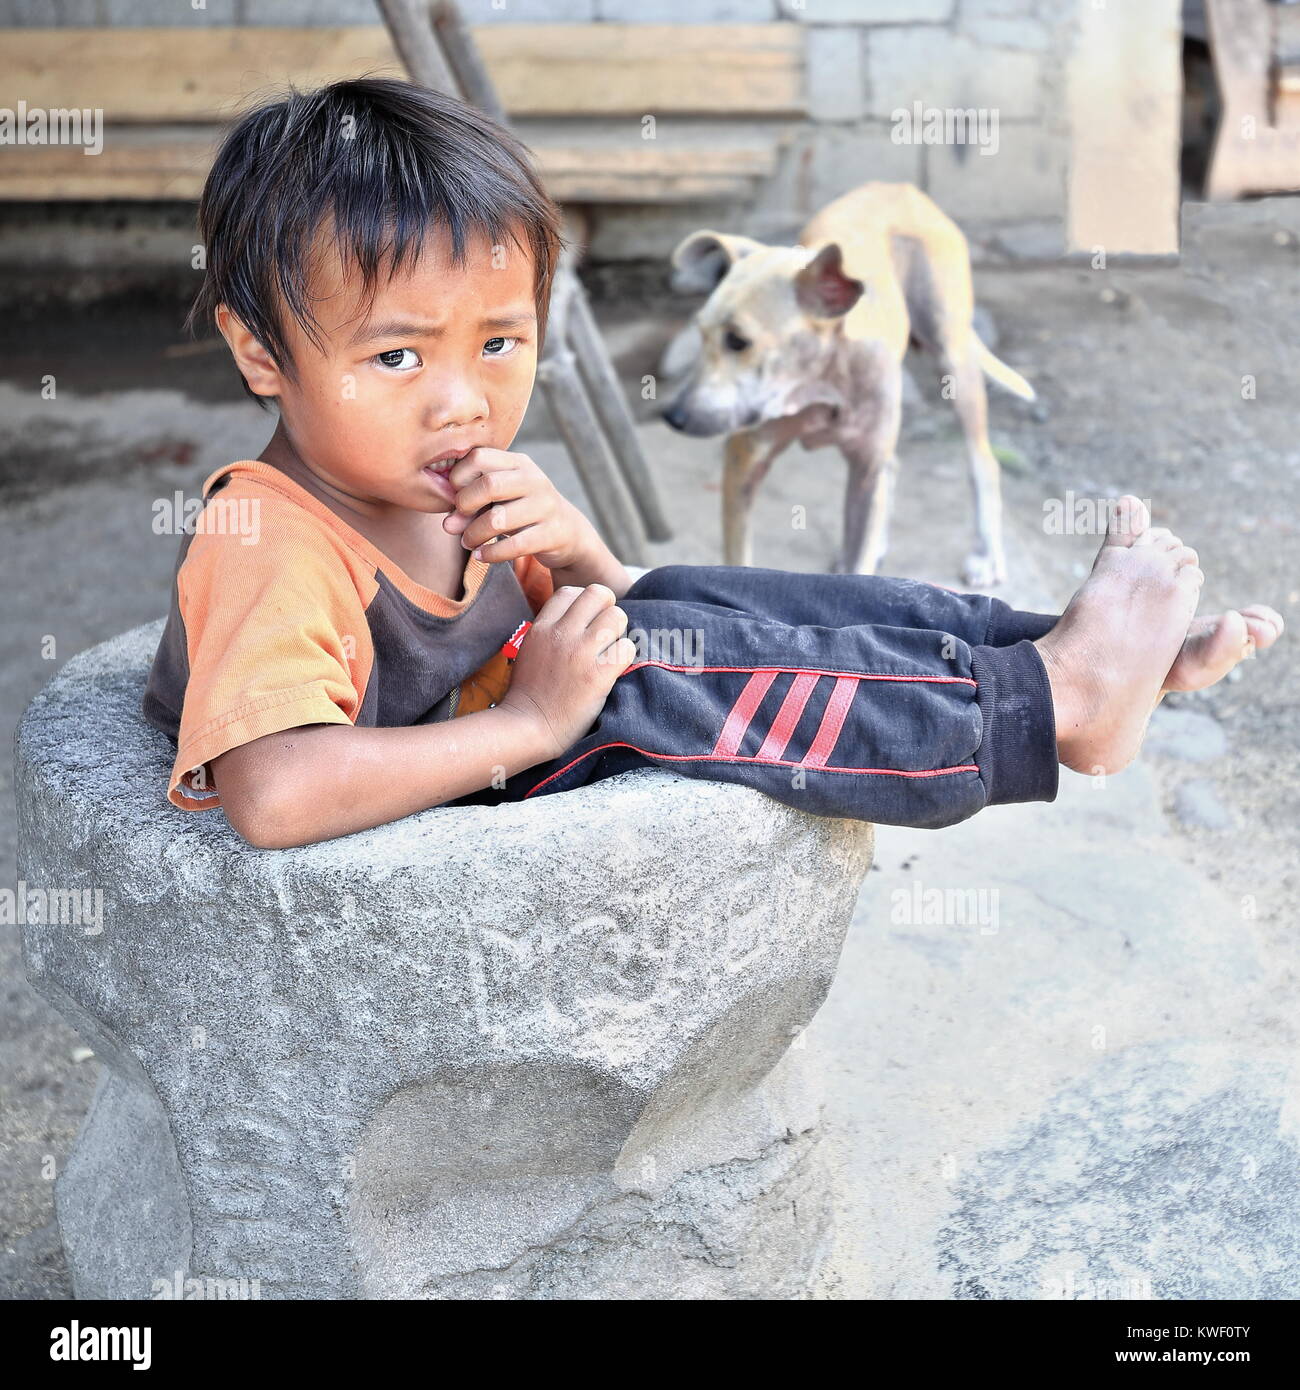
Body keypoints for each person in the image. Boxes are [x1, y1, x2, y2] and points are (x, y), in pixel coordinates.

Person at [142, 78, 1283, 849]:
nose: (463, 396)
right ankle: (1050, 701)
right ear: (261, 351)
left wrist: (575, 548)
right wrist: (528, 727)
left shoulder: (428, 470)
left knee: (700, 596)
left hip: (512, 706)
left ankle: (1036, 652)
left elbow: (607, 597)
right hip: (461, 767)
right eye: (396, 354)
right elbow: (273, 791)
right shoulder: (272, 541)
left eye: (499, 342)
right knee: (668, 686)